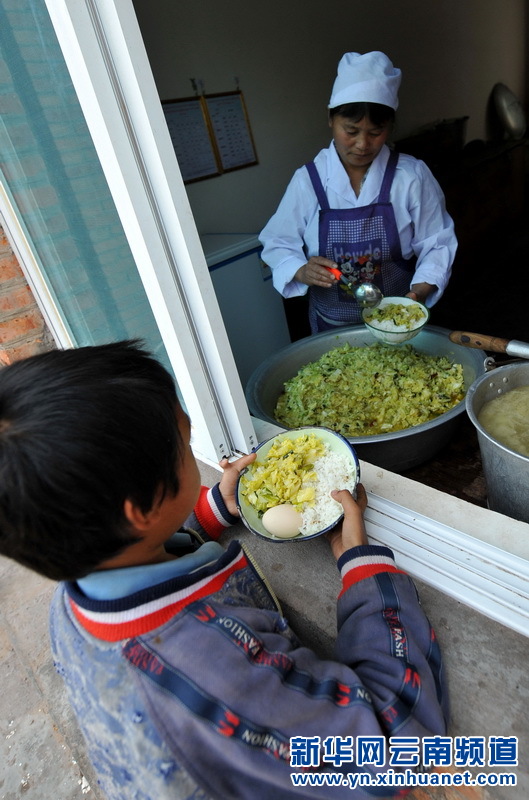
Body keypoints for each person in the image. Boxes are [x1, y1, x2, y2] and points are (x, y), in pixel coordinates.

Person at [0, 341, 449, 799]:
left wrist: (213, 511)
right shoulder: (212, 670)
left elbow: (148, 549)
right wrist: (364, 570)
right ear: (141, 510)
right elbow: (394, 747)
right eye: (184, 442)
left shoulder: (71, 603)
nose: (194, 449)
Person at [259, 51, 457, 333]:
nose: (363, 144)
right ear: (331, 120)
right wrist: (301, 270)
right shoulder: (309, 180)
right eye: (351, 130)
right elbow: (277, 241)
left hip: (398, 324)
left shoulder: (410, 176)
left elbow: (437, 244)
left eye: (376, 132)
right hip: (332, 326)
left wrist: (417, 296)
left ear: (389, 127)